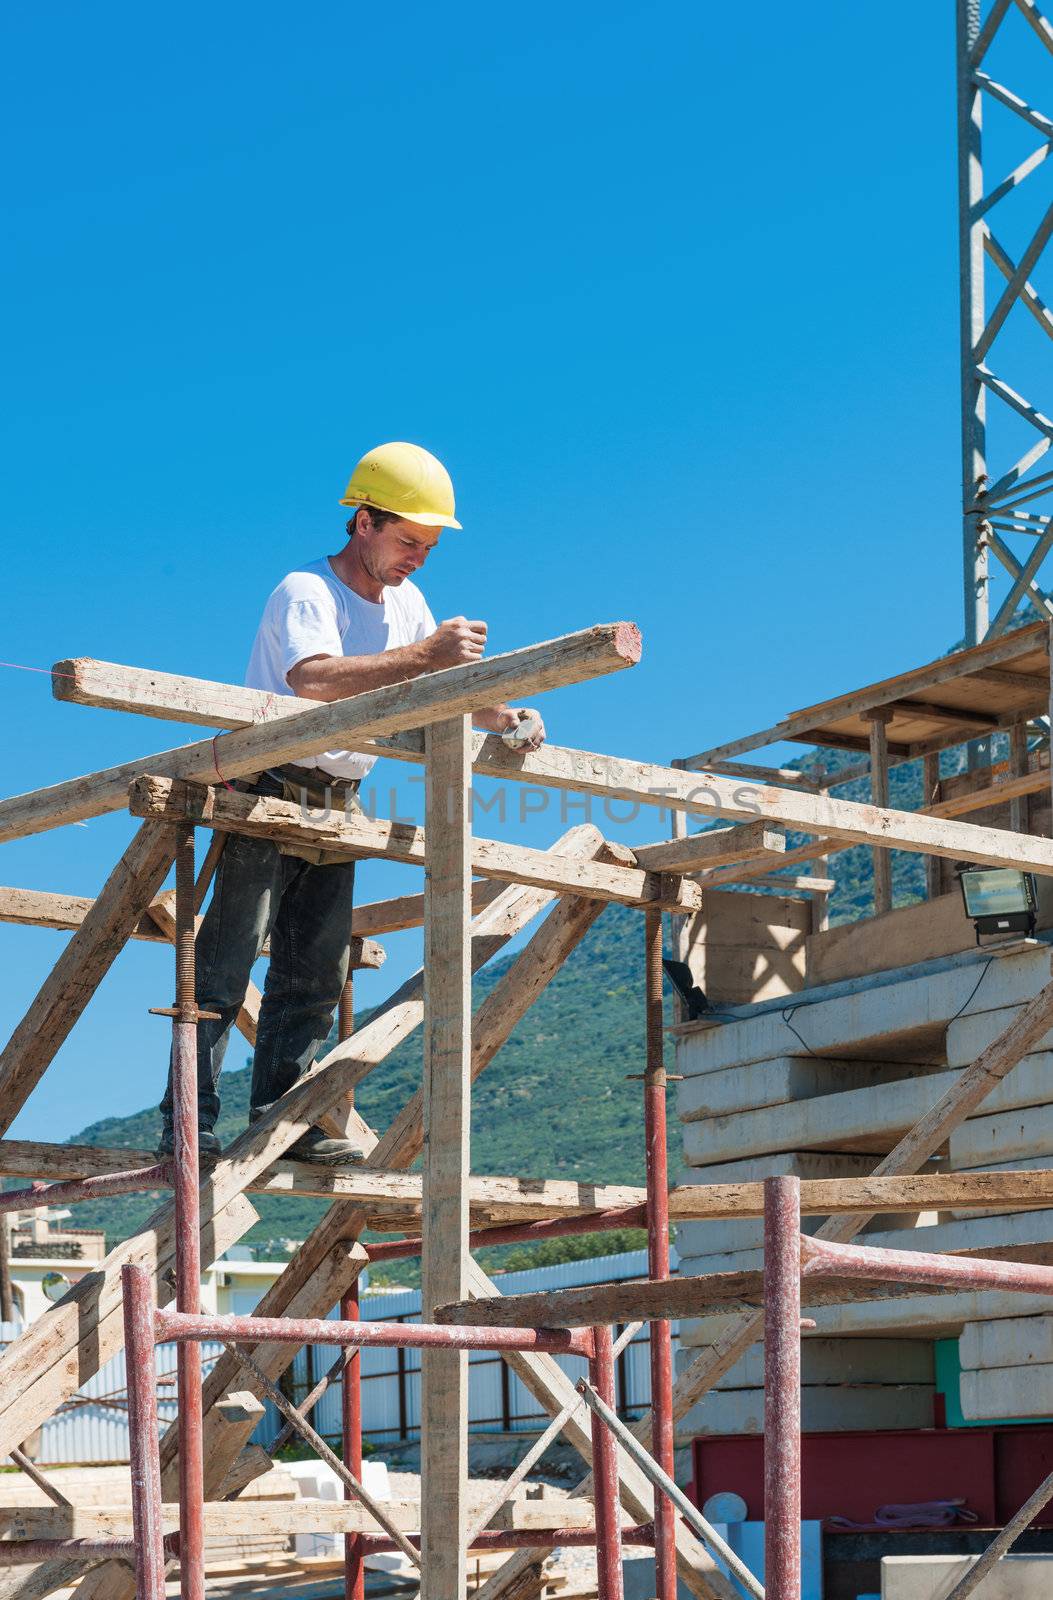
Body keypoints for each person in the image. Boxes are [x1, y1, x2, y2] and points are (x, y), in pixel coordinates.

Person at [157, 441, 546, 1165]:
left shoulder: (408, 605)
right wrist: (428, 657)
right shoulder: (305, 590)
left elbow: (435, 691)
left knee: (314, 971)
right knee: (224, 966)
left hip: (337, 798)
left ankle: (284, 1124)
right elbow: (313, 679)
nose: (418, 559)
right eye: (408, 542)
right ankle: (188, 1125)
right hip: (265, 785)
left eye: (428, 547)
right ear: (363, 521)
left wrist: (505, 714)